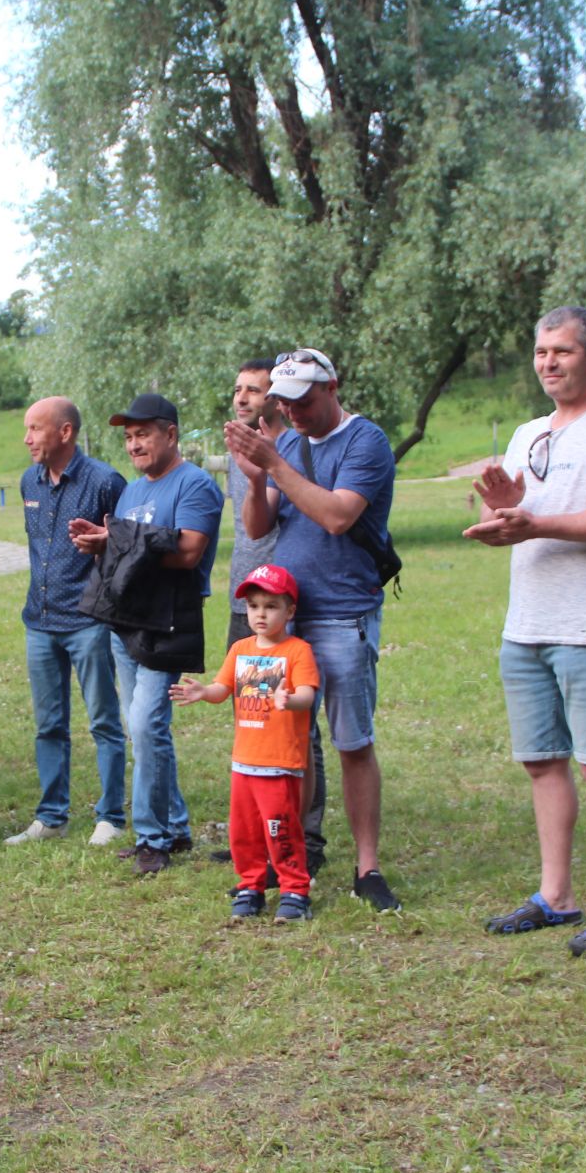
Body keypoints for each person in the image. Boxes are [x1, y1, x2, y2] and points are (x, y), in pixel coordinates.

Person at [463, 306, 586, 959]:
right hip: (528, 624)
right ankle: (556, 896)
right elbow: (525, 518)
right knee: (542, 762)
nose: (549, 362)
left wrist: (535, 525)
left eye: (563, 352)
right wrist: (503, 513)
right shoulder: (527, 433)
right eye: (542, 351)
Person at [224, 348, 401, 912]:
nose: (291, 411)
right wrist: (256, 479)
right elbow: (258, 525)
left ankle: (367, 866)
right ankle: (288, 863)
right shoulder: (290, 445)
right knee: (284, 749)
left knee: (352, 742)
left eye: (302, 400)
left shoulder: (364, 442)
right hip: (284, 620)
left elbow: (337, 515)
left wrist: (274, 465)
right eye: (282, 401)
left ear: (332, 386)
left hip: (343, 612)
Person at [73, 392, 222, 875]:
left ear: (171, 434)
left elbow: (189, 552)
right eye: (129, 437)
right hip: (127, 621)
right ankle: (175, 826)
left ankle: (151, 838)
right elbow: (127, 553)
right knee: (149, 730)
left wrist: (115, 539)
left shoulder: (195, 485)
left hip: (168, 621)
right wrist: (101, 542)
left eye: (144, 434)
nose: (135, 445)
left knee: (144, 726)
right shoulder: (132, 492)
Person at [214, 358, 329, 876]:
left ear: (278, 398)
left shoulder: (293, 450)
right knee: (252, 712)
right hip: (248, 599)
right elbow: (251, 529)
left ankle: (308, 835)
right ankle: (258, 836)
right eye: (238, 389)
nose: (242, 398)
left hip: (283, 598)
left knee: (297, 723)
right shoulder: (241, 452)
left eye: (254, 390)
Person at [8, 395, 129, 847]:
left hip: (87, 622)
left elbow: (127, 548)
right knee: (48, 725)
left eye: (35, 429)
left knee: (103, 721)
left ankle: (110, 816)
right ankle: (51, 816)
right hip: (39, 623)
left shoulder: (104, 482)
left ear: (65, 432)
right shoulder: (28, 483)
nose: (27, 439)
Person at [171, 564, 320, 923]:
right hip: (244, 762)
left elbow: (307, 695)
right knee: (244, 831)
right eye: (254, 606)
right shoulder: (240, 648)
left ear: (289, 611)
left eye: (271, 606)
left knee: (280, 829)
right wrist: (204, 692)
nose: (261, 614)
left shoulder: (297, 651)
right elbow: (224, 689)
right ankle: (250, 886)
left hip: (280, 762)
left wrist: (290, 700)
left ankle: (295, 891)